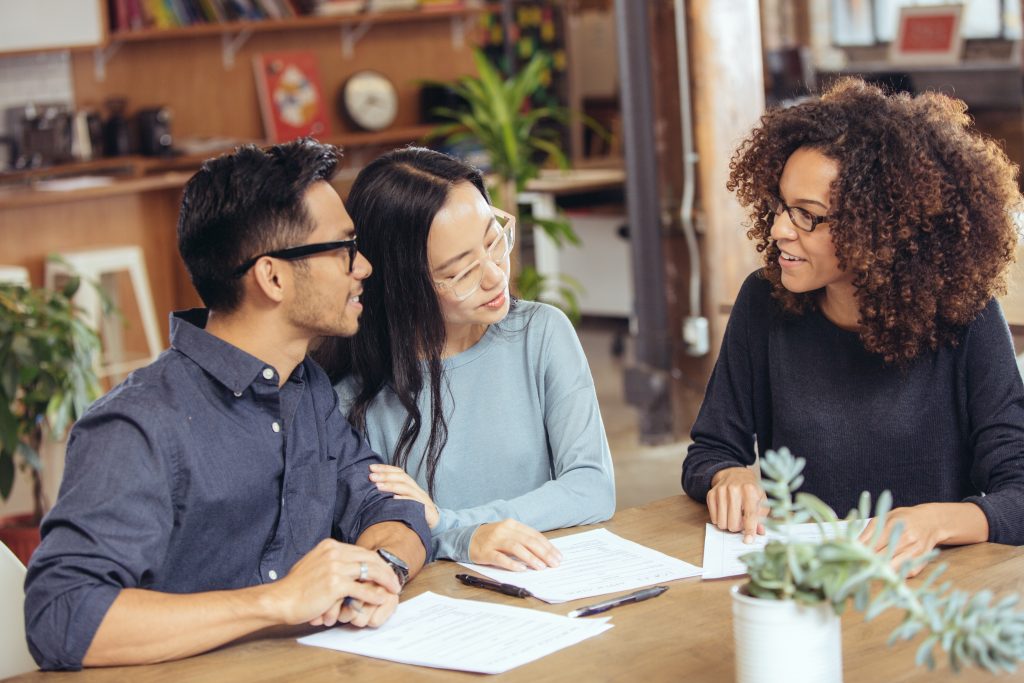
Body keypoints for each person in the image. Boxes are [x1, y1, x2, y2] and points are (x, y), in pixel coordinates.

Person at [23, 139, 429, 671]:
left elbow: (389, 505)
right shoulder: (137, 425)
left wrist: (379, 569)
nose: (365, 267)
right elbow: (62, 615)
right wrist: (275, 601)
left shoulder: (305, 389)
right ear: (273, 276)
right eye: (343, 249)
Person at [682, 78, 1024, 572]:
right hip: (806, 580)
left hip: (934, 592)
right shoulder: (764, 301)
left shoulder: (966, 317)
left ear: (880, 227)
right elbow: (710, 451)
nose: (779, 229)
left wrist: (936, 522)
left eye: (807, 215)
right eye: (781, 206)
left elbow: (1018, 491)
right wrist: (728, 476)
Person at [315, 147, 615, 570]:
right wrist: (459, 540)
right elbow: (372, 538)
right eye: (459, 272)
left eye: (494, 242)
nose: (494, 275)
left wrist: (456, 527)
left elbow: (591, 488)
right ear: (402, 284)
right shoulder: (351, 396)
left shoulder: (542, 333)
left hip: (548, 578)